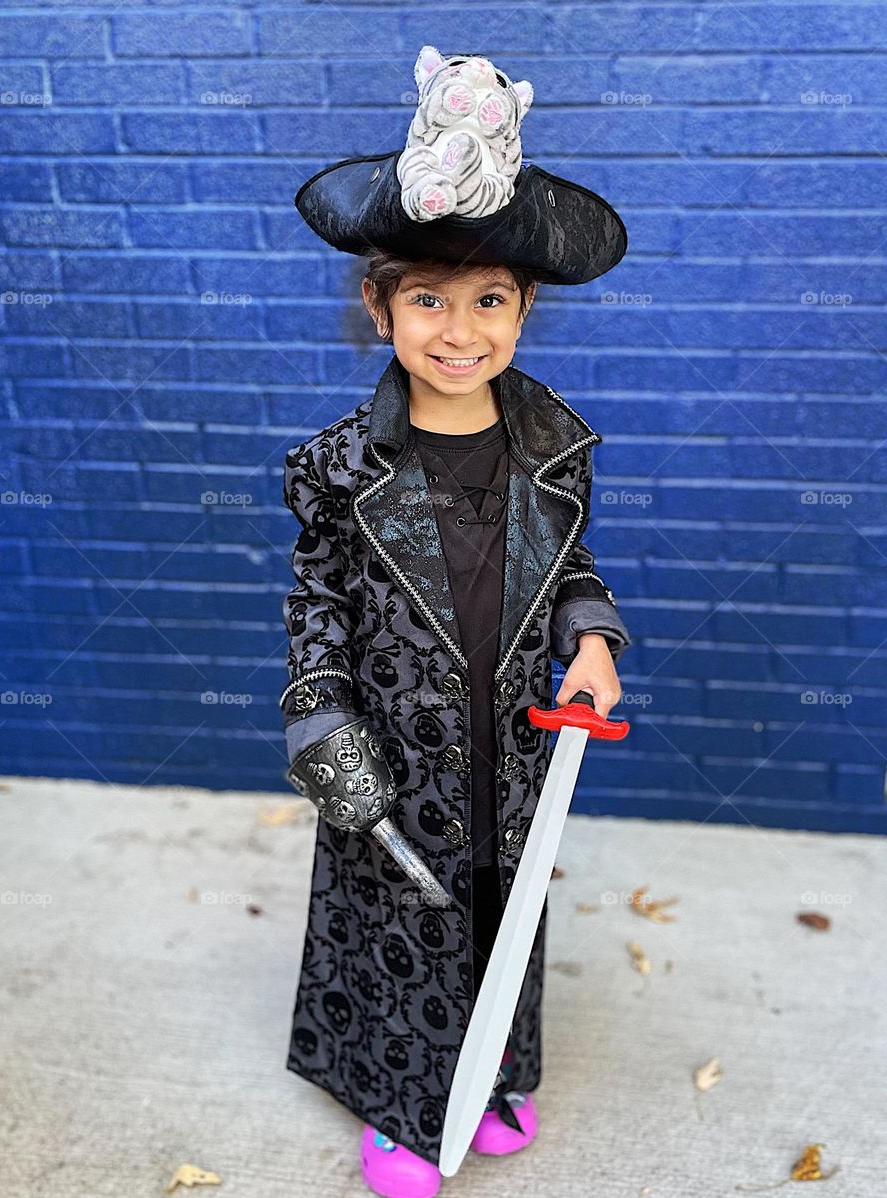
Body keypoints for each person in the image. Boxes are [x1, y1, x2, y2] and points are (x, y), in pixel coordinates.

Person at [279, 46, 632, 1198]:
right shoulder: (340, 467)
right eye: (428, 296)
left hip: (519, 742)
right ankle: (397, 1099)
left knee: (503, 905)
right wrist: (321, 718)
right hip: (393, 755)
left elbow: (572, 566)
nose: (460, 329)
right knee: (398, 924)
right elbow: (318, 604)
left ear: (525, 308)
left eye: (489, 300)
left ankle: (497, 1066)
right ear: (380, 304)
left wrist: (590, 643)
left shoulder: (553, 449)